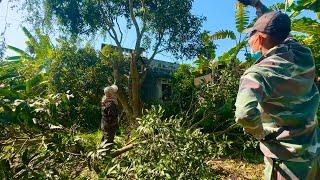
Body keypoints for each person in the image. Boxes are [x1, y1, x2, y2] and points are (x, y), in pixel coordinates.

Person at [235, 0, 320, 179]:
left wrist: (262, 134)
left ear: (260, 38)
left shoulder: (257, 73)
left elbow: (244, 114)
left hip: (286, 164)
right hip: (313, 154)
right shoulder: (303, 54)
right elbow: (281, 30)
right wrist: (258, 5)